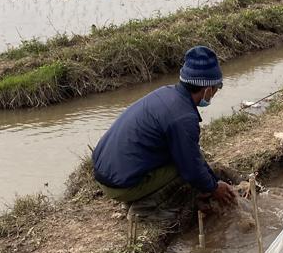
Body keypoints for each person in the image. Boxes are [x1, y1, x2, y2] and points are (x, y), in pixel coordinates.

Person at [92, 46, 237, 206]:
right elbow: (191, 168)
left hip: (104, 172)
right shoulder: (184, 117)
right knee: (182, 168)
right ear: (208, 90)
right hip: (120, 187)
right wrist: (214, 189)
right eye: (218, 88)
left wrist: (212, 181)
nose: (216, 93)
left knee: (189, 155)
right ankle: (147, 209)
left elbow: (192, 153)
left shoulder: (166, 93)